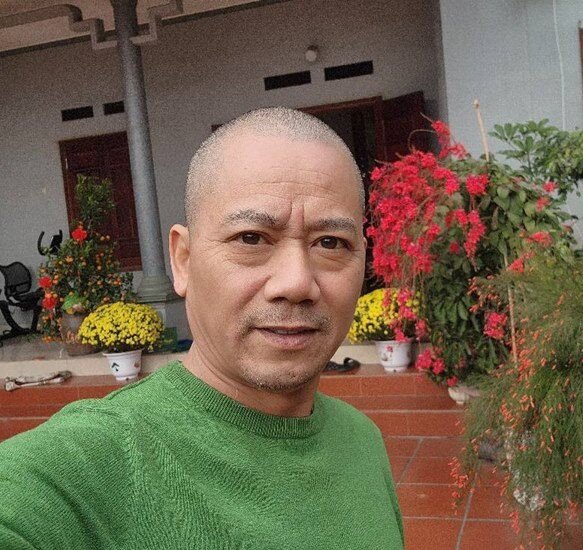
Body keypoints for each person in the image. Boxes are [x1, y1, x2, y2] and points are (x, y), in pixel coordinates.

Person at [0, 107, 404, 549]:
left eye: (330, 243)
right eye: (251, 238)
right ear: (183, 260)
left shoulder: (362, 440)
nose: (296, 283)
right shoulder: (85, 468)